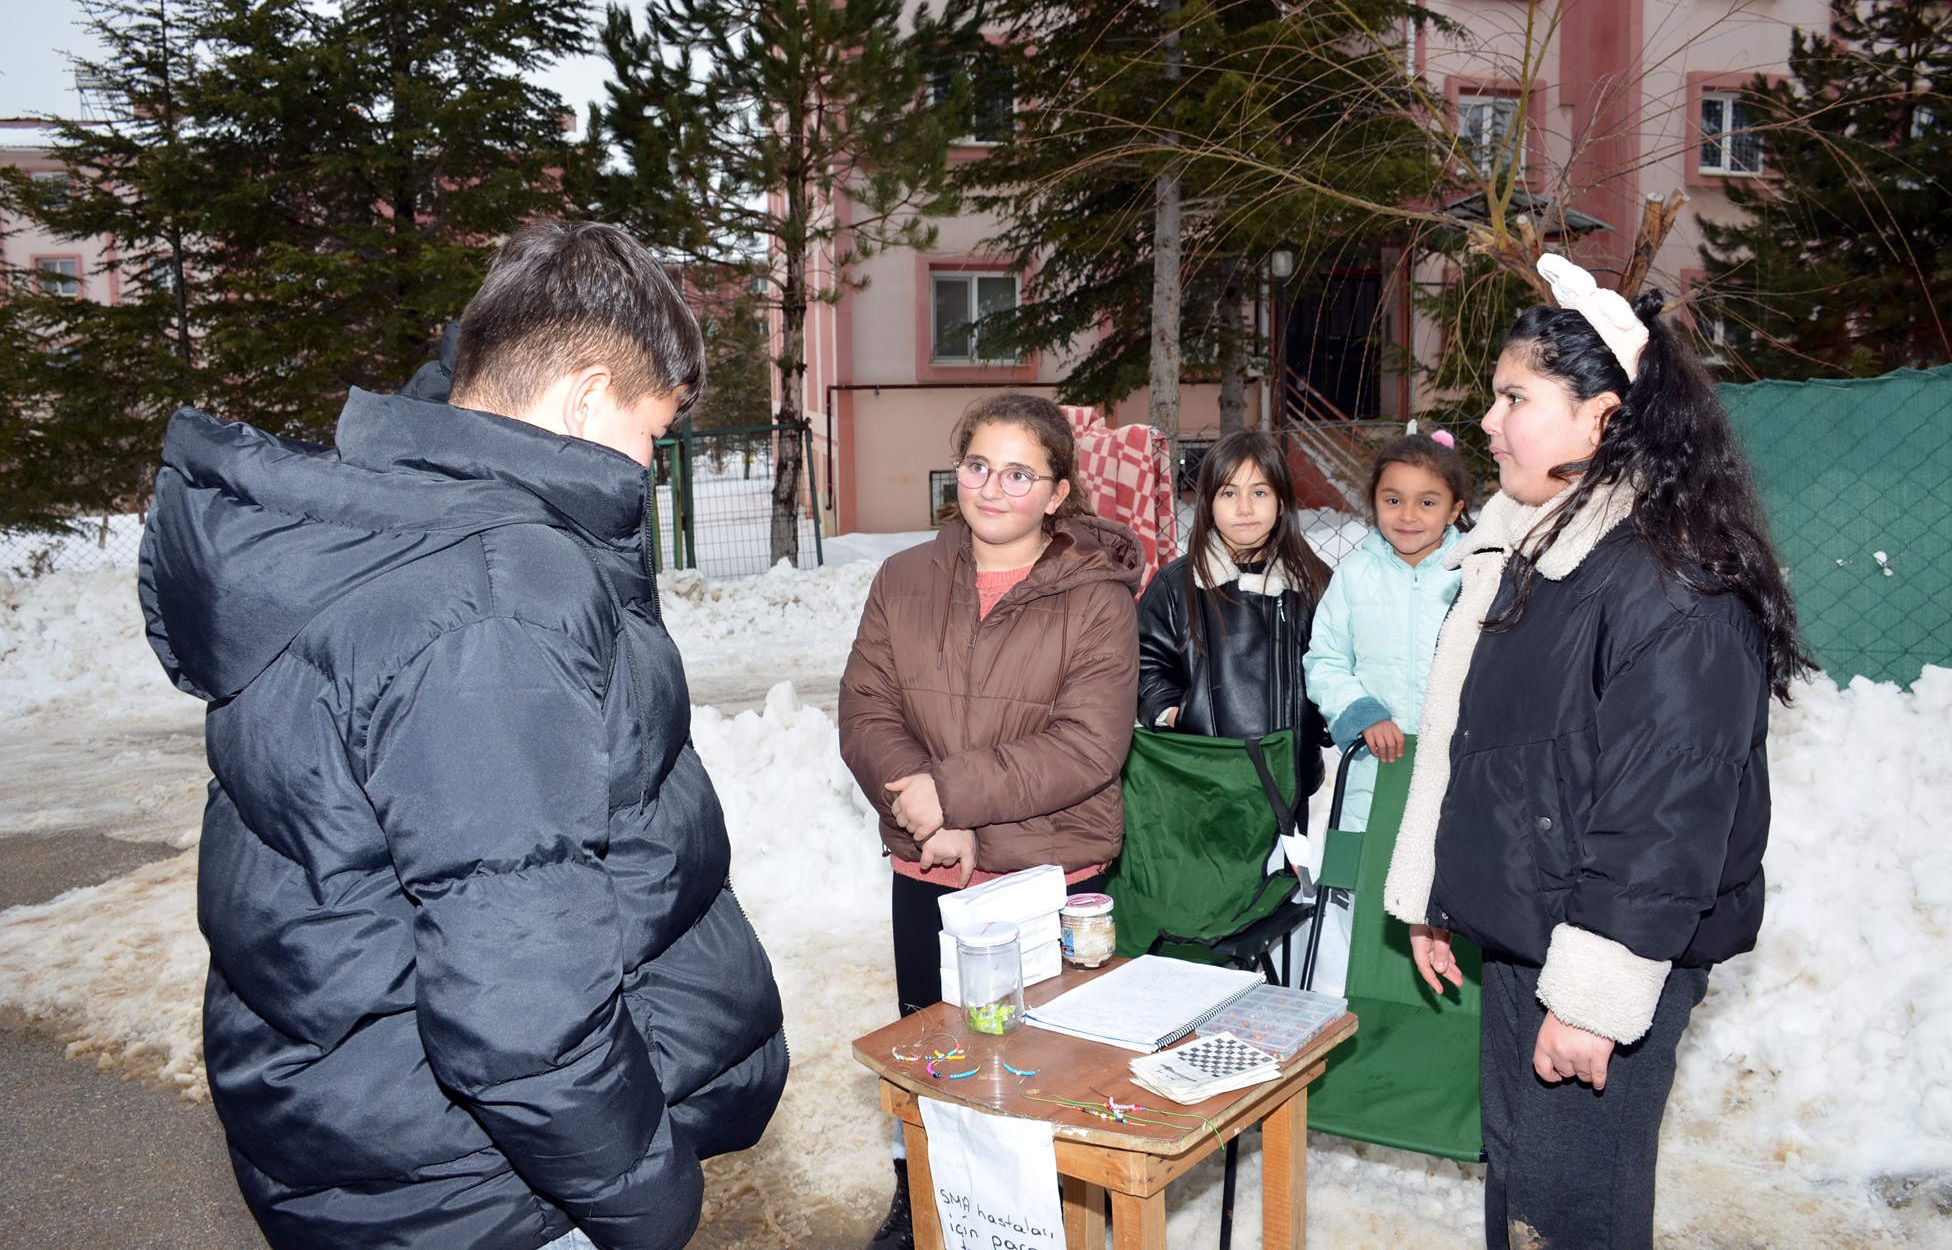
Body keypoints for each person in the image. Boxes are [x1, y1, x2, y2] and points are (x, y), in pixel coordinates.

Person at [137, 220, 788, 1250]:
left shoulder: (398, 531)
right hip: (484, 1194)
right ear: (582, 397)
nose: (644, 471)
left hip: (384, 1152)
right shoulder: (492, 601)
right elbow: (519, 1008)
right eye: (648, 435)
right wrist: (647, 1196)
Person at [1384, 254, 1808, 1250]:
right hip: (1522, 930)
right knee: (1519, 1178)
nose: (1486, 422)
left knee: (1570, 1210)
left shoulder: (1673, 580)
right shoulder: (1530, 544)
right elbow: (1484, 750)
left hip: (1599, 958)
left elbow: (1665, 812)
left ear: (1603, 416)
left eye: (1512, 397)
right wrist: (1446, 894)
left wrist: (1591, 999)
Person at [839, 391, 1142, 1250]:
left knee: (1041, 1074)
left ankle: (1050, 1221)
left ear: (1057, 493)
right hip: (925, 873)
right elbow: (865, 709)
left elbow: (1087, 746)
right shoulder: (904, 578)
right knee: (930, 1060)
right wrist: (924, 808)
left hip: (1049, 882)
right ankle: (922, 1199)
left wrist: (955, 795)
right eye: (978, 466)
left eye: (1019, 472)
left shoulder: (1095, 597)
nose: (993, 487)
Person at [1299, 430, 1470, 992]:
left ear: (1456, 510)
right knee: (1367, 891)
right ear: (1373, 502)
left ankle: (1446, 1028)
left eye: (1428, 502)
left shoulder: (1475, 576)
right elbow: (1325, 658)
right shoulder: (1354, 576)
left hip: (1456, 772)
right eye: (1393, 499)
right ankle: (1365, 1003)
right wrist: (1362, 713)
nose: (1408, 515)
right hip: (1376, 772)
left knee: (1448, 892)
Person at [1135, 429, 1331, 832]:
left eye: (1259, 492)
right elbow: (1144, 665)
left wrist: (1323, 718)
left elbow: (1335, 659)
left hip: (1287, 782)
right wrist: (1177, 713)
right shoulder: (1177, 584)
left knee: (1281, 887)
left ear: (1282, 502)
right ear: (1207, 501)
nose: (1245, 508)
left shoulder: (1314, 583)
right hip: (1203, 778)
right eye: (1229, 493)